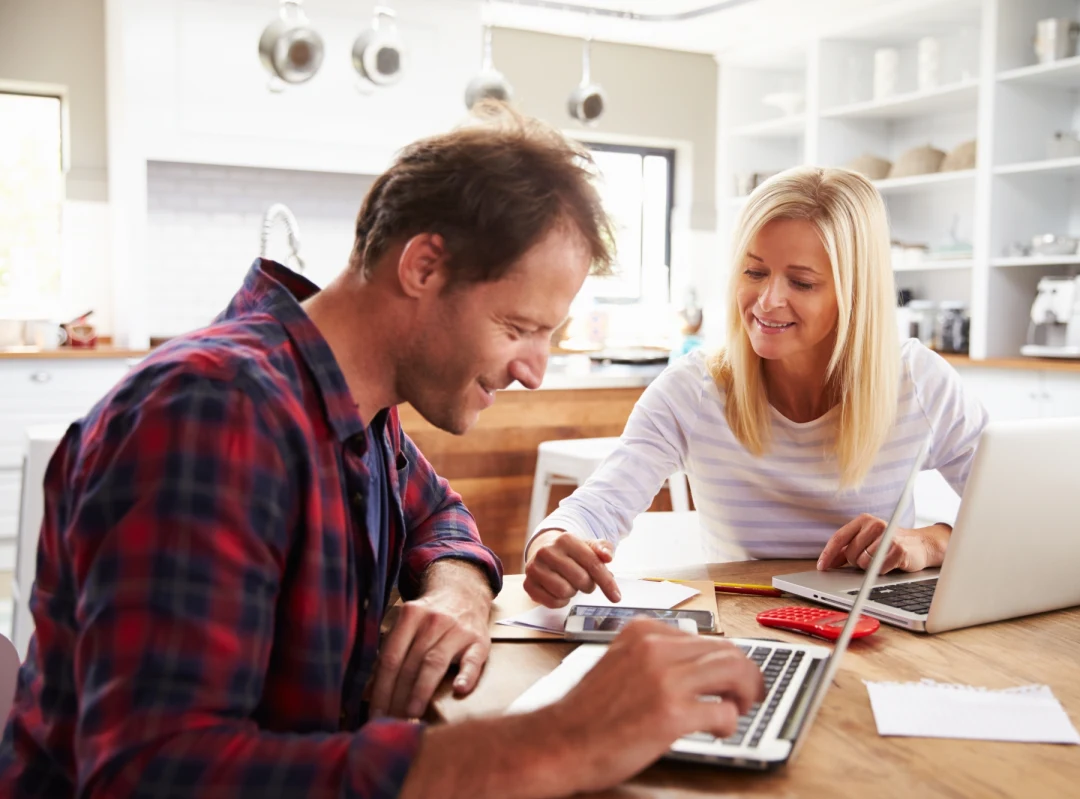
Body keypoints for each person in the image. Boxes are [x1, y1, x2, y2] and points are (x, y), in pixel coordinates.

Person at [0, 105, 763, 798]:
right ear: (423, 267)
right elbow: (153, 772)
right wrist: (556, 740)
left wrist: (458, 592)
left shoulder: (358, 408)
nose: (533, 368)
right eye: (518, 326)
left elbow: (441, 513)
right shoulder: (215, 411)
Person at [525, 165, 988, 609]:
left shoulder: (918, 383)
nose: (767, 301)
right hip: (741, 626)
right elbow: (596, 506)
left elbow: (1015, 518)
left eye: (802, 282)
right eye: (755, 272)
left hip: (875, 629)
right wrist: (552, 542)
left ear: (856, 293)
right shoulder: (694, 390)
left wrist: (930, 541)